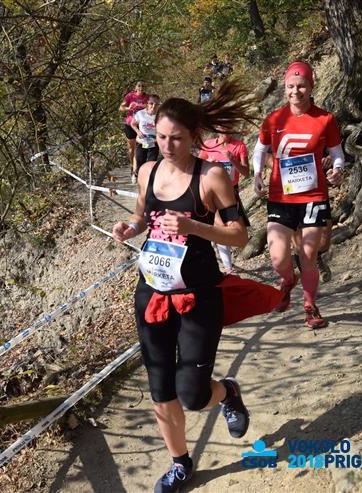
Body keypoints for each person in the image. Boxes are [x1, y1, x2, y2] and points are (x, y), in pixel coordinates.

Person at [112, 81, 283, 493]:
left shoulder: (211, 176)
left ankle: (227, 393)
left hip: (198, 297)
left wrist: (193, 226)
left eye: (176, 138)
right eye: (161, 137)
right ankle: (180, 464)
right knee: (160, 388)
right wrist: (129, 228)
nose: (167, 145)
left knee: (191, 393)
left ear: (194, 137)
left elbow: (240, 235)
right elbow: (142, 216)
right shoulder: (147, 171)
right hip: (152, 293)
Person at [253, 60, 345, 329]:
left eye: (301, 86)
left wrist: (338, 170)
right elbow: (260, 149)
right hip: (280, 197)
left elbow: (337, 153)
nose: (296, 91)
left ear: (311, 86)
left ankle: (309, 305)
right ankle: (287, 279)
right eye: (291, 86)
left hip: (313, 196)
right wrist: (257, 174)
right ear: (285, 88)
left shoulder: (325, 119)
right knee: (278, 257)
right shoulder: (274, 119)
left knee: (308, 254)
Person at [199, 131, 250, 273]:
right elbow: (197, 167)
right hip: (210, 192)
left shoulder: (239, 146)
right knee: (220, 225)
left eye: (227, 128)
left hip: (230, 193)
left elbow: (246, 172)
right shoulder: (208, 145)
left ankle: (223, 259)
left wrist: (233, 160)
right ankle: (228, 267)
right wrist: (208, 164)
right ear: (217, 128)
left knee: (228, 228)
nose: (224, 132)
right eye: (222, 128)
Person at [119, 81, 150, 183]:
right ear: (136, 87)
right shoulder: (130, 96)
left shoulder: (147, 97)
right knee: (131, 149)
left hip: (141, 126)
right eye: (139, 86)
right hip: (130, 124)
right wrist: (128, 108)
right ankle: (132, 167)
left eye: (143, 86)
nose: (141, 87)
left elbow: (152, 108)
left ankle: (137, 171)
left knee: (140, 148)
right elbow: (121, 107)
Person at [131, 95, 161, 176]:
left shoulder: (160, 116)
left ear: (159, 105)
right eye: (151, 103)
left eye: (156, 104)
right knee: (140, 162)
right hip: (142, 141)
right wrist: (138, 132)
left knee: (151, 164)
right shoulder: (140, 113)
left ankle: (148, 179)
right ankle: (137, 175)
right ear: (147, 103)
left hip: (154, 142)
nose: (153, 106)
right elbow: (133, 124)